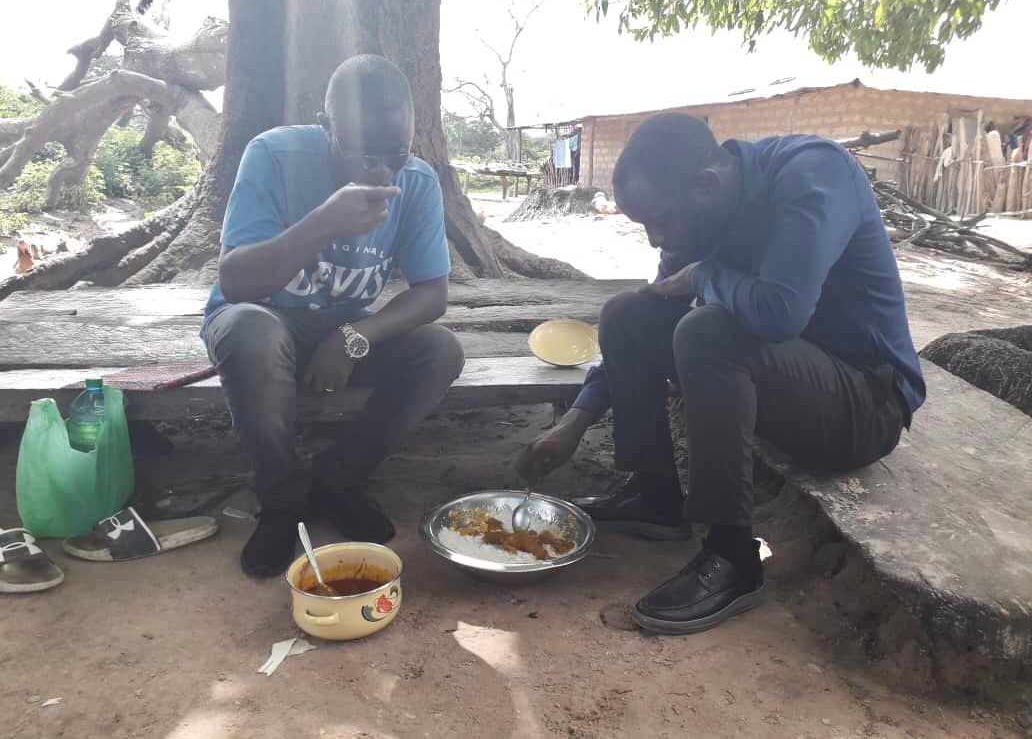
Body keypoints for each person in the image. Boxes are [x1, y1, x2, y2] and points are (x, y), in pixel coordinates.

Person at [516, 114, 925, 634]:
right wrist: (576, 420)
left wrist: (706, 275)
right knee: (627, 315)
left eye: (660, 221)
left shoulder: (812, 174)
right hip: (785, 385)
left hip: (864, 404)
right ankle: (656, 496)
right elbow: (654, 305)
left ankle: (733, 557)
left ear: (707, 184)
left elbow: (780, 312)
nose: (653, 238)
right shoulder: (698, 213)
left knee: (706, 331)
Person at [202, 55, 464, 577]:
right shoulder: (274, 155)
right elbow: (236, 283)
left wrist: (354, 337)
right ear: (327, 128)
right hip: (261, 322)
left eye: (398, 153)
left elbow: (432, 294)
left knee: (441, 351)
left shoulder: (417, 181)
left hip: (337, 330)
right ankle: (281, 503)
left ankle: (339, 480)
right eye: (365, 153)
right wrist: (324, 222)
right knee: (252, 331)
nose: (384, 171)